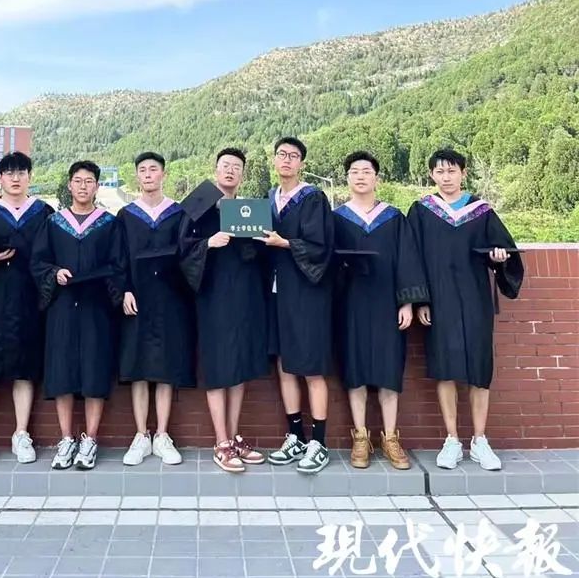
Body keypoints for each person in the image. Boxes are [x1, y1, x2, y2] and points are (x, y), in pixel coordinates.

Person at [408, 148, 524, 471]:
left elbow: (503, 250)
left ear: (463, 173)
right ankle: (452, 440)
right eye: (440, 172)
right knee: (444, 368)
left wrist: (499, 259)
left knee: (479, 369)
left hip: (475, 299)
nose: (446, 177)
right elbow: (411, 258)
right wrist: (420, 300)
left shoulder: (481, 211)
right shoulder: (421, 211)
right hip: (439, 300)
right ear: (431, 175)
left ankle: (479, 440)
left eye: (452, 171)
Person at [333, 151, 429, 470]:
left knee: (389, 371)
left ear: (377, 178)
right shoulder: (336, 218)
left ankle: (390, 438)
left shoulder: (394, 218)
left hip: (387, 303)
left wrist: (407, 302)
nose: (360, 176)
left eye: (366, 171)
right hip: (351, 304)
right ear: (347, 178)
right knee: (355, 370)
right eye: (354, 171)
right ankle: (361, 437)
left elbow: (407, 260)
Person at [30, 160, 125, 471]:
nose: (83, 186)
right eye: (78, 181)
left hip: (96, 307)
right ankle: (66, 438)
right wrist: (54, 273)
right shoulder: (54, 223)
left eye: (89, 181)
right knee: (62, 371)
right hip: (62, 306)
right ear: (69, 185)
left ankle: (90, 439)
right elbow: (39, 262)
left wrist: (106, 284)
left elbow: (118, 264)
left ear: (97, 186)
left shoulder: (109, 223)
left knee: (95, 370)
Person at [180, 148, 269, 473]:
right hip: (213, 297)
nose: (230, 171)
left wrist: (259, 238)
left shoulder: (248, 210)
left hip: (244, 297)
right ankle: (221, 442)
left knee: (240, 365)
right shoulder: (198, 206)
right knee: (218, 367)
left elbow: (258, 256)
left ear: (242, 174)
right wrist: (208, 243)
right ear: (216, 170)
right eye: (225, 165)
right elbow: (182, 249)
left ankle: (234, 436)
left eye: (236, 167)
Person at [0, 151, 54, 470]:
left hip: (27, 301)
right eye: (9, 173)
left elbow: (51, 256)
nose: (16, 178)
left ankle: (21, 434)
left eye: (21, 172)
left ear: (30, 177)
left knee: (25, 368)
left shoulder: (43, 213)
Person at [262, 137, 335, 475]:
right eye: (282, 154)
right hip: (277, 292)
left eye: (293, 156)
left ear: (302, 163)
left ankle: (319, 442)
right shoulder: (269, 199)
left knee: (311, 365)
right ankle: (296, 436)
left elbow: (321, 246)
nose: (287, 160)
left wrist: (286, 243)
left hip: (307, 291)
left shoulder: (313, 198)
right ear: (275, 160)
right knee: (284, 364)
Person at [118, 151, 195, 467]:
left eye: (153, 169)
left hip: (169, 298)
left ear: (163, 174)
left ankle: (162, 435)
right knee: (138, 366)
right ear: (137, 176)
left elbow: (188, 254)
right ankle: (141, 435)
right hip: (136, 298)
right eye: (143, 170)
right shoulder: (126, 215)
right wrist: (124, 289)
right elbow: (118, 257)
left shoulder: (179, 213)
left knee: (166, 366)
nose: (148, 174)